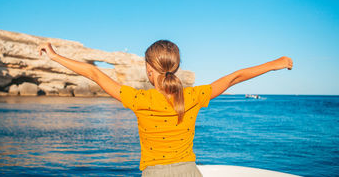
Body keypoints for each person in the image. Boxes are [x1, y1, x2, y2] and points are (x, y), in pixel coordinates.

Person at [38, 39, 293, 177]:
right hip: (189, 172)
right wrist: (276, 63)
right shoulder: (193, 96)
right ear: (176, 68)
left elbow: (94, 73)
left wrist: (54, 55)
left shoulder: (139, 100)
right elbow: (233, 77)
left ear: (149, 70)